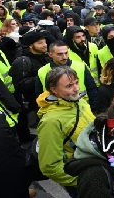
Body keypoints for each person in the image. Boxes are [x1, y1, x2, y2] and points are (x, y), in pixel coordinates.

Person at [36, 66, 95, 197]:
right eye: (69, 86)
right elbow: (49, 166)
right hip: (82, 178)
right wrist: (82, 180)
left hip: (96, 165)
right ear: (54, 90)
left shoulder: (78, 101)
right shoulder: (50, 122)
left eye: (76, 82)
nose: (76, 88)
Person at [9, 31, 51, 143]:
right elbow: (21, 85)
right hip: (34, 106)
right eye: (40, 43)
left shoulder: (46, 57)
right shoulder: (22, 61)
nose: (44, 45)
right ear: (30, 46)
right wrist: (43, 76)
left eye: (45, 42)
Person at [36, 41, 98, 112]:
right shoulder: (42, 71)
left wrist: (93, 109)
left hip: (81, 108)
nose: (64, 57)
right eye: (60, 54)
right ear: (50, 54)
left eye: (66, 53)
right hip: (56, 111)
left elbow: (92, 89)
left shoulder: (80, 66)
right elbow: (39, 96)